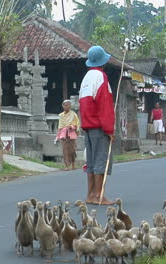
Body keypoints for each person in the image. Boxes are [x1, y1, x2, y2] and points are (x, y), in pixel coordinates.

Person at [79, 46, 115, 205]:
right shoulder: (101, 77)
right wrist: (110, 130)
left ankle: (90, 194)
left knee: (91, 162)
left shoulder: (86, 77)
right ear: (103, 62)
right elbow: (105, 106)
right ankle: (99, 195)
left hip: (87, 126)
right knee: (101, 161)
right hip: (99, 127)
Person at [55, 100, 79, 171]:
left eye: (68, 105)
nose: (67, 106)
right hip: (63, 134)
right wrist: (57, 136)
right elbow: (60, 126)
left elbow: (76, 124)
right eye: (65, 105)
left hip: (71, 134)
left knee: (72, 150)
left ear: (70, 106)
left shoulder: (73, 114)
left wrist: (71, 127)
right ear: (62, 106)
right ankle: (67, 166)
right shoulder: (61, 115)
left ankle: (73, 164)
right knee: (65, 150)